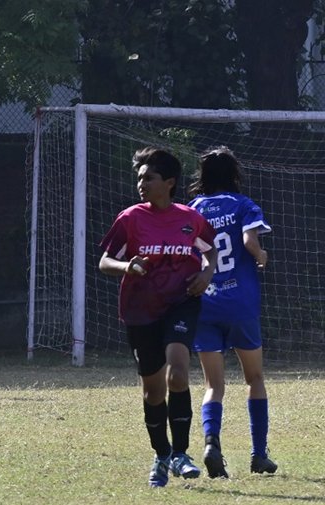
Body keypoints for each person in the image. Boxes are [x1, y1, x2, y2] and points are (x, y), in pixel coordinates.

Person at [98, 147, 218, 487]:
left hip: (181, 303)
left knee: (178, 374)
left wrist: (206, 275)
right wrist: (128, 266)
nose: (141, 184)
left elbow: (210, 253)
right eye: (139, 179)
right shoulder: (130, 219)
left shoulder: (190, 218)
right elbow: (105, 262)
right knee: (153, 392)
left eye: (148, 178)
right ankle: (162, 454)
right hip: (140, 310)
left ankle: (181, 453)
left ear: (169, 182)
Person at [188, 146, 277, 477]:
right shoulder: (243, 205)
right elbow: (249, 240)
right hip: (240, 305)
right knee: (254, 378)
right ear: (234, 173)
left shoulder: (192, 209)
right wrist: (261, 256)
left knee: (214, 384)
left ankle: (211, 442)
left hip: (204, 303)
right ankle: (259, 455)